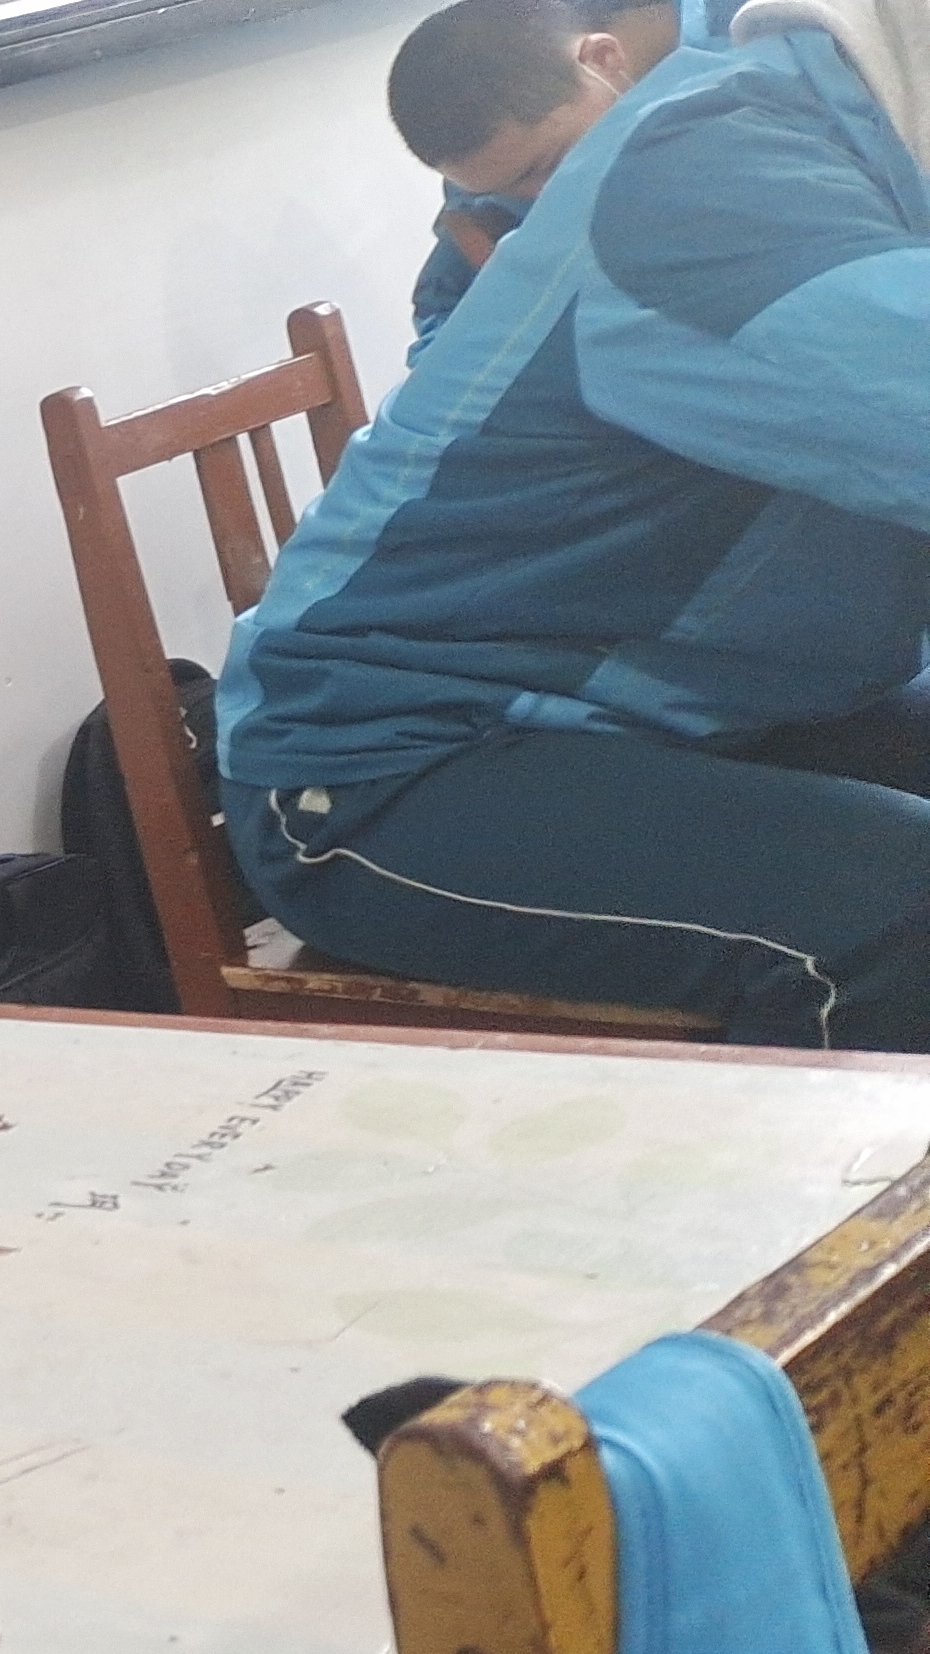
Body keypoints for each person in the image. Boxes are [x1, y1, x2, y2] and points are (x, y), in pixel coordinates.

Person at [218, 0, 930, 1049]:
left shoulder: (799, 122)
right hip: (391, 766)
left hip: (671, 703)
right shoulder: (709, 185)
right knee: (899, 912)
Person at [389, 0, 684, 353]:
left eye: (551, 165)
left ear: (602, 58)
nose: (545, 201)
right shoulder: (498, 175)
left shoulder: (741, 44)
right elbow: (447, 325)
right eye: (507, 191)